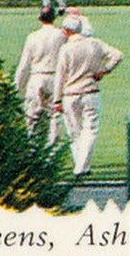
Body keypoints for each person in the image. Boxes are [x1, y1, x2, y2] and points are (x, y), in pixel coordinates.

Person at [53, 13, 124, 176]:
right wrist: (104, 71)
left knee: (75, 132)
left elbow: (60, 76)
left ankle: (80, 165)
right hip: (90, 91)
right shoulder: (94, 44)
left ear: (67, 31)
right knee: (90, 130)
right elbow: (117, 55)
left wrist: (57, 99)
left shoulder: (66, 49)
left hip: (70, 94)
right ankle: (82, 166)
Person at [15, 7, 66, 143]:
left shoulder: (33, 37)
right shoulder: (61, 35)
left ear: (40, 18)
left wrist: (17, 86)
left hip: (37, 76)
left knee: (32, 114)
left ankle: (31, 144)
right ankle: (53, 148)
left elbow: (24, 64)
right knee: (55, 115)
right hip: (55, 77)